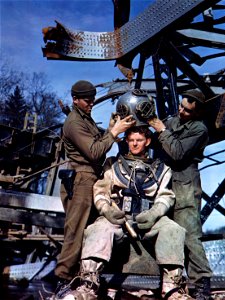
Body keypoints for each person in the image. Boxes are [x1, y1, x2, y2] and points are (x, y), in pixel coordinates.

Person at [59, 125, 194, 300]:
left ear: (147, 141)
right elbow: (101, 192)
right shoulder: (112, 165)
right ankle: (88, 286)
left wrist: (154, 213)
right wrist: (106, 210)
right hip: (117, 217)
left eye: (138, 140)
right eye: (131, 140)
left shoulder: (162, 169)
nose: (134, 144)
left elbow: (165, 196)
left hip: (148, 219)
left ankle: (172, 290)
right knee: (98, 229)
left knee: (173, 229)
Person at [53, 80, 136, 297]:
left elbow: (97, 141)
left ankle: (82, 281)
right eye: (87, 101)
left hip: (91, 179)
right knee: (75, 232)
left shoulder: (84, 118)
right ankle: (62, 282)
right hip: (81, 181)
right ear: (75, 100)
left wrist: (109, 130)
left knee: (88, 231)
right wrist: (115, 131)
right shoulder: (73, 123)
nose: (91, 103)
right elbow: (95, 152)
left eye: (92, 99)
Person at [148, 89, 212, 300]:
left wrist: (161, 130)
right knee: (166, 233)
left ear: (196, 113)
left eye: (186, 110)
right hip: (163, 183)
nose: (181, 110)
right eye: (181, 106)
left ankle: (202, 283)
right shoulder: (173, 120)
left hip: (185, 185)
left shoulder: (199, 129)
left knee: (190, 235)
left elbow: (177, 152)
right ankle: (174, 281)